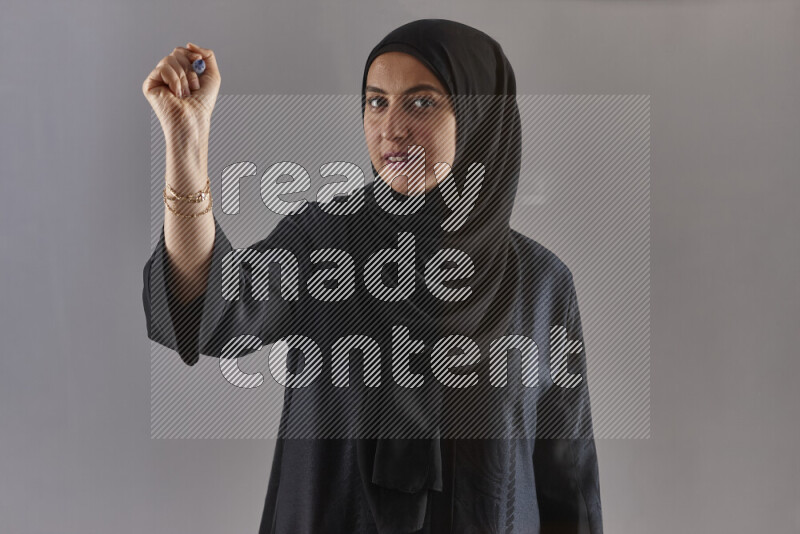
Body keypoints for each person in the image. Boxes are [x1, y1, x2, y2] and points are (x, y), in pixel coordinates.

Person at [142, 18, 603, 534]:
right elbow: (213, 308)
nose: (392, 127)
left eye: (422, 102)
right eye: (376, 101)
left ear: (480, 117)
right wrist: (186, 142)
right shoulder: (325, 244)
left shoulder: (541, 285)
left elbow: (567, 483)